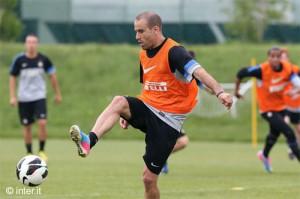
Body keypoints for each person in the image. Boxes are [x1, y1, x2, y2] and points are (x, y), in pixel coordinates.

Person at [69, 11, 232, 199]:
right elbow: (148, 87)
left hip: (168, 123)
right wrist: (128, 113)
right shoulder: (144, 54)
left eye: (141, 31)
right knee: (118, 102)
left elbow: (200, 72)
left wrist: (220, 92)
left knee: (148, 179)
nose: (137, 37)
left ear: (155, 30)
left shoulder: (174, 51)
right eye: (135, 31)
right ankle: (89, 141)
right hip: (150, 109)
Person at [234, 47, 300, 173]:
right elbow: (241, 73)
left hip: (282, 107)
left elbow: (298, 83)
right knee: (289, 133)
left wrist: (296, 91)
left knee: (274, 135)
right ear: (268, 57)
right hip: (267, 109)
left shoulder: (288, 69)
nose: (275, 59)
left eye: (277, 56)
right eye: (272, 56)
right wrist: (237, 91)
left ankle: (264, 155)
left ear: (281, 58)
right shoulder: (261, 70)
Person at [9, 34, 62, 161]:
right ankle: (28, 153)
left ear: (37, 44)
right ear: (25, 44)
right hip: (24, 98)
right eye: (29, 42)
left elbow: (52, 76)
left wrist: (57, 94)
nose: (31, 45)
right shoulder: (19, 60)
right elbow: (12, 77)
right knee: (27, 126)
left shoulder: (43, 60)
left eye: (34, 42)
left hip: (39, 97)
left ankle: (42, 151)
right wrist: (12, 96)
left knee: (42, 123)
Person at [280, 48, 300, 159]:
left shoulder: (296, 70)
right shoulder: (277, 71)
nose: (282, 60)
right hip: (284, 105)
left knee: (298, 129)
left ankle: (295, 148)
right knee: (285, 125)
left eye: (284, 57)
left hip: (296, 105)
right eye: (281, 58)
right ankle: (291, 148)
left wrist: (295, 92)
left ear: (288, 58)